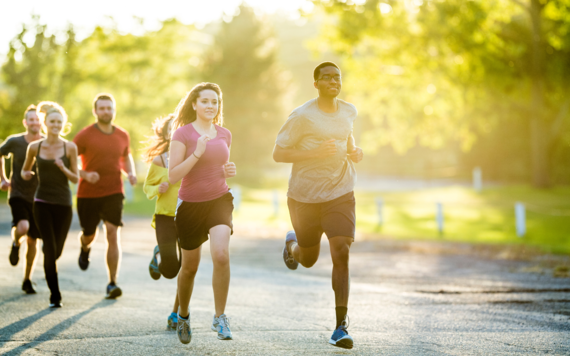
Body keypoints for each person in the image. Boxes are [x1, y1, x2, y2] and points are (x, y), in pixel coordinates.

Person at [273, 62, 364, 349]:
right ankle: (292, 246)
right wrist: (313, 153)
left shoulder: (349, 111)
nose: (334, 81)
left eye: (337, 77)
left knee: (341, 249)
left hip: (340, 192)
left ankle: (340, 326)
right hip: (305, 197)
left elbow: (346, 139)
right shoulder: (302, 116)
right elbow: (278, 153)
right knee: (308, 259)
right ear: (316, 84)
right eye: (327, 78)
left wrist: (354, 151)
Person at [168, 83, 236, 344]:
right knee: (189, 268)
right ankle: (183, 315)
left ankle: (220, 317)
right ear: (194, 104)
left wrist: (228, 170)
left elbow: (219, 166)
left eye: (215, 102)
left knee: (221, 255)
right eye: (205, 101)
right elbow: (173, 175)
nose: (211, 106)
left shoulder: (225, 134)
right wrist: (197, 151)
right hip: (190, 205)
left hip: (220, 199)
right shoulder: (182, 135)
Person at [73, 93, 137, 299]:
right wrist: (84, 174)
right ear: (95, 111)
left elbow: (126, 158)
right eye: (102, 108)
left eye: (109, 108)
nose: (106, 112)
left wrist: (131, 173)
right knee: (90, 234)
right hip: (88, 193)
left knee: (112, 233)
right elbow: (69, 160)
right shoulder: (84, 135)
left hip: (113, 191)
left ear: (114, 110)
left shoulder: (122, 135)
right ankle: (85, 246)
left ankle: (112, 282)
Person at [21, 101, 79, 308]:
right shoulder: (34, 147)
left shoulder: (69, 147)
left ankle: (50, 257)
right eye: (52, 121)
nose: (55, 125)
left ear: (63, 124)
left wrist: (63, 168)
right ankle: (55, 295)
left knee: (56, 251)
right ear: (45, 123)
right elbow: (24, 171)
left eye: (59, 122)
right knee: (49, 251)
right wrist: (26, 174)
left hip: (63, 205)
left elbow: (75, 179)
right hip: (42, 203)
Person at [142, 113, 181, 330]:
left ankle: (177, 313)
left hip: (189, 216)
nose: (175, 131)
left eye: (180, 127)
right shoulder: (160, 160)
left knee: (187, 268)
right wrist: (158, 188)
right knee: (170, 270)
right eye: (171, 129)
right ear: (166, 134)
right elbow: (147, 187)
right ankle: (159, 254)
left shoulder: (194, 158)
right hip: (165, 217)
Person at [1, 105, 42, 294]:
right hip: (18, 193)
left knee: (34, 241)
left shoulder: (47, 143)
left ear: (42, 122)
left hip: (40, 197)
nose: (35, 123)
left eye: (37, 119)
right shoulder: (15, 142)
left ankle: (27, 279)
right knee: (23, 227)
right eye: (31, 120)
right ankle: (17, 242)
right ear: (26, 123)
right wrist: (2, 178)